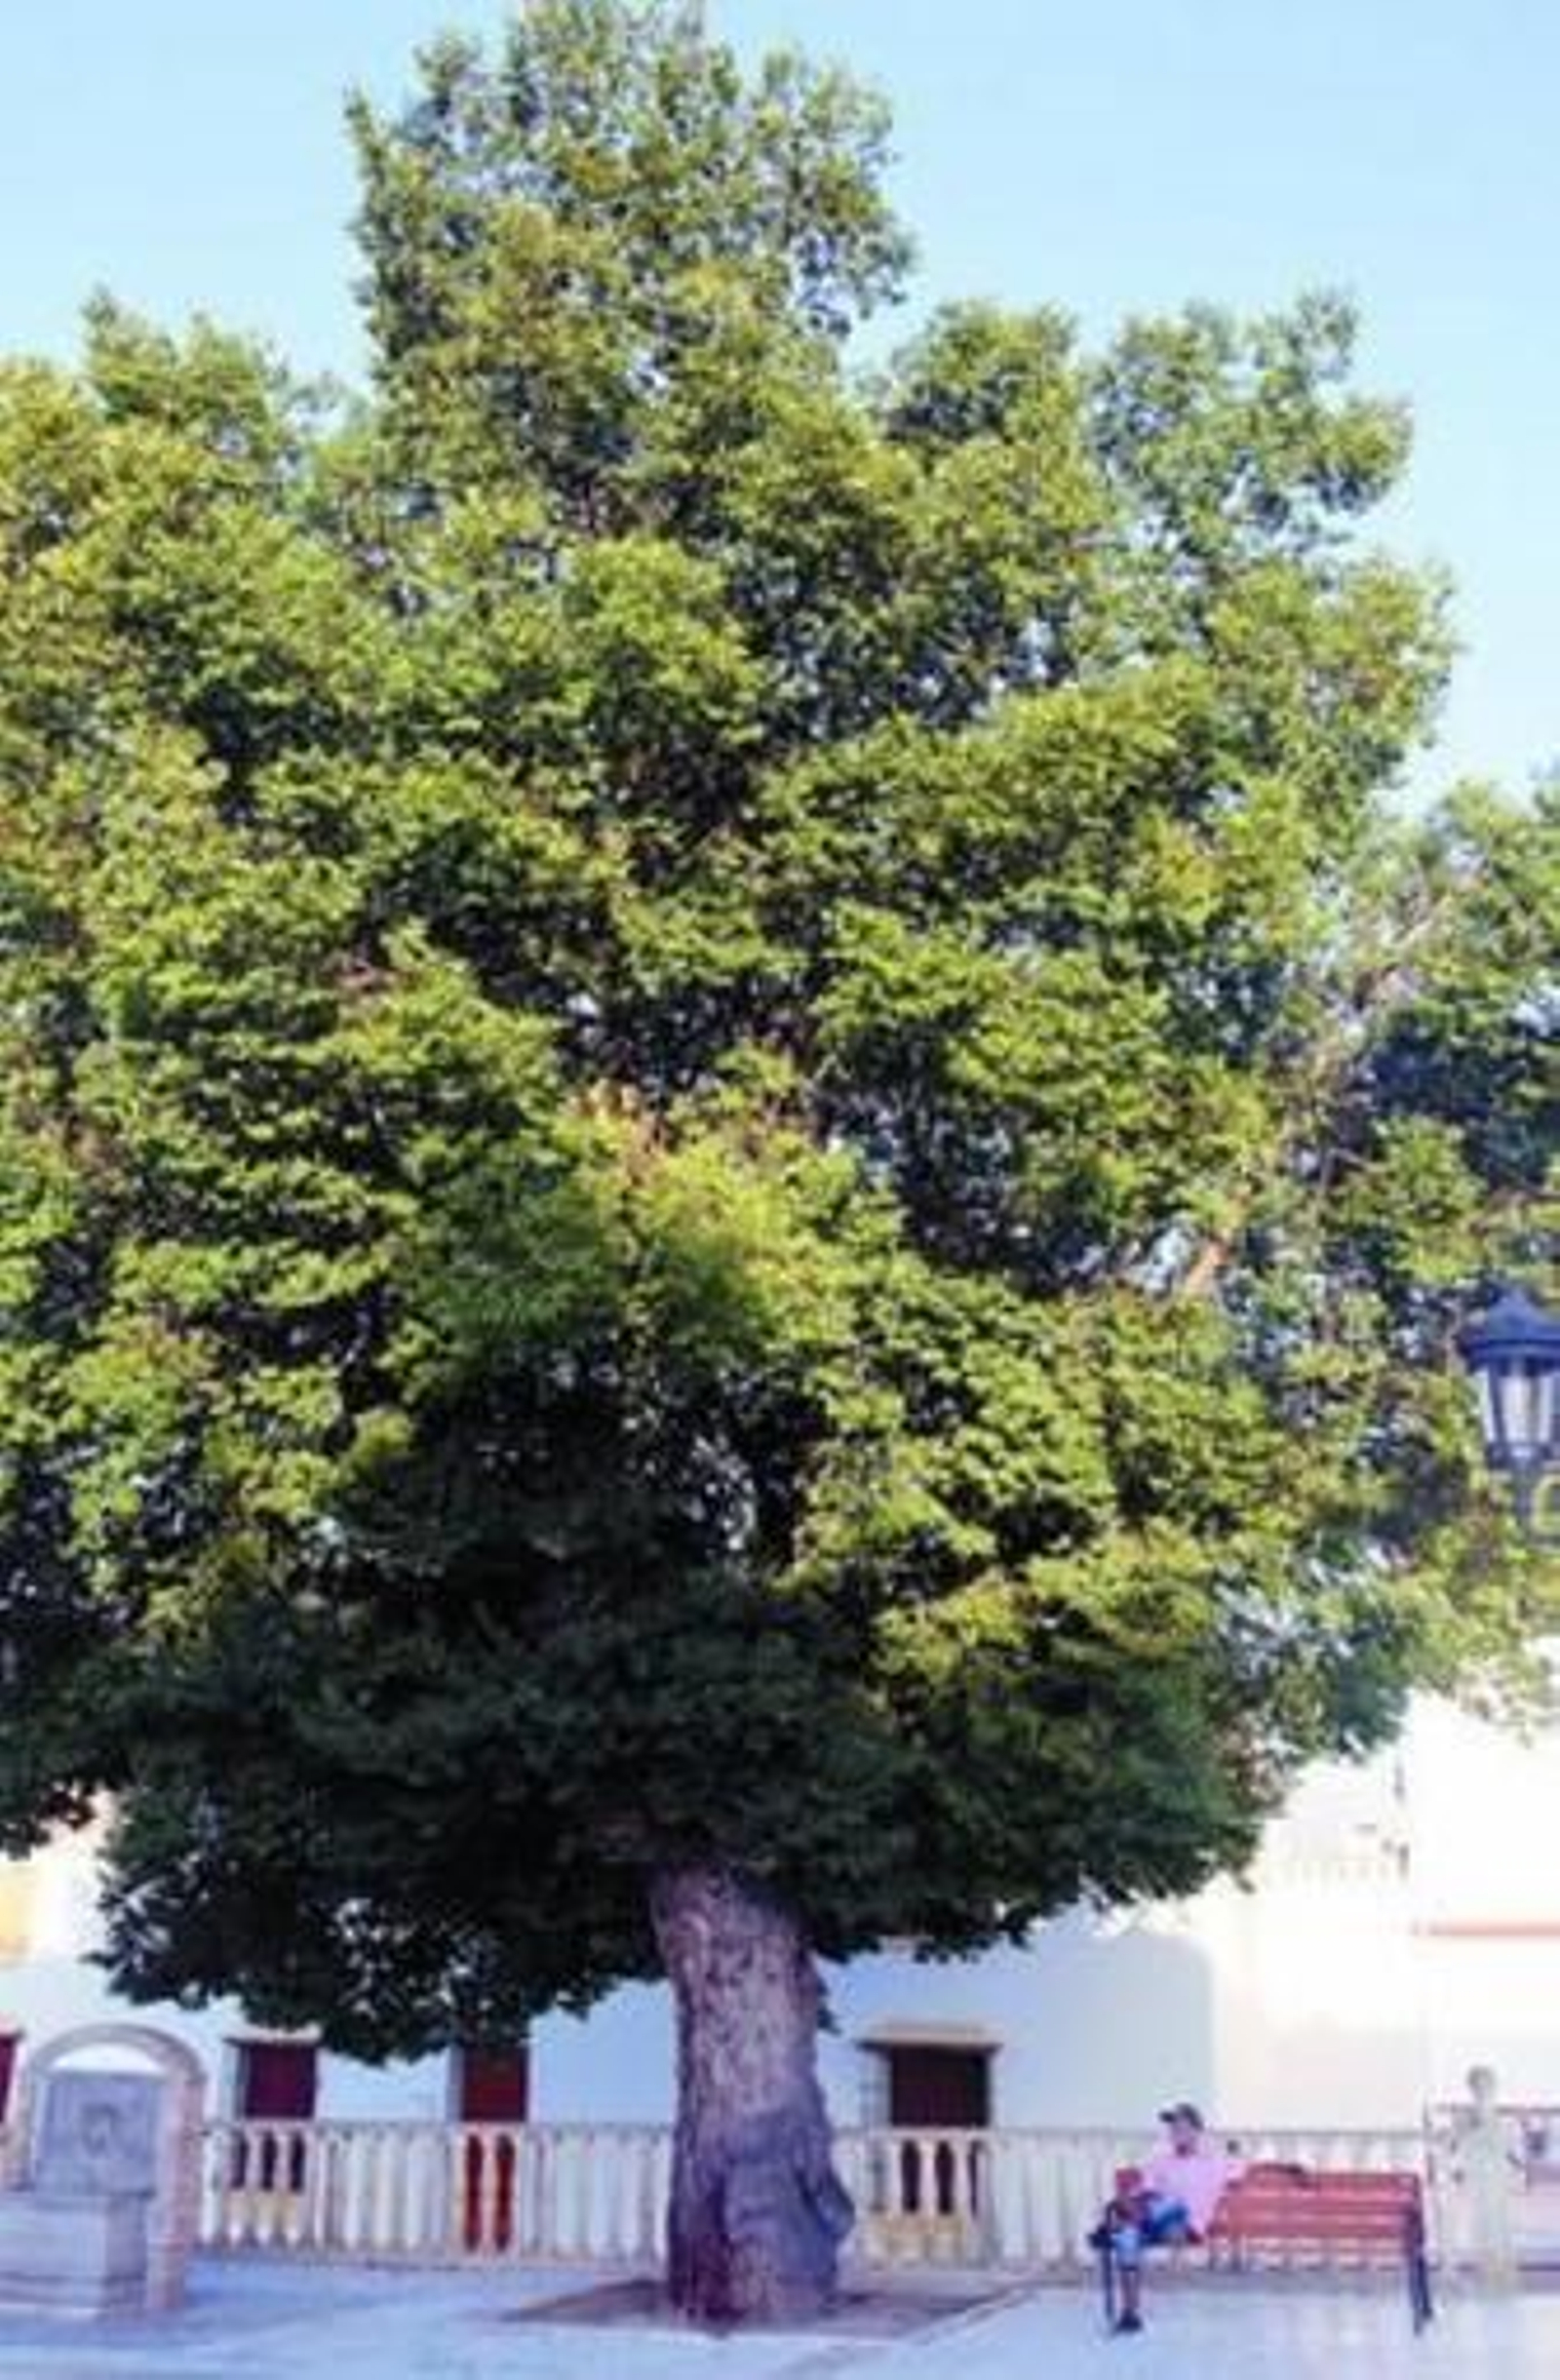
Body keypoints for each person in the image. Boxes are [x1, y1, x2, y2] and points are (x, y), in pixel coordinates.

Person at [1090, 2102, 1244, 2333]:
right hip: (1154, 2222)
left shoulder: (1214, 2159)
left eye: (1180, 2127)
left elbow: (1240, 2167)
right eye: (1172, 2128)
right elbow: (1146, 2191)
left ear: (1196, 2131)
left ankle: (1113, 2225)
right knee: (1128, 2236)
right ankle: (1130, 2315)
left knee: (1172, 2204)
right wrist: (1134, 2200)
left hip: (1186, 2227)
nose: (1174, 2132)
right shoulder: (1161, 2159)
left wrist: (1234, 2150)